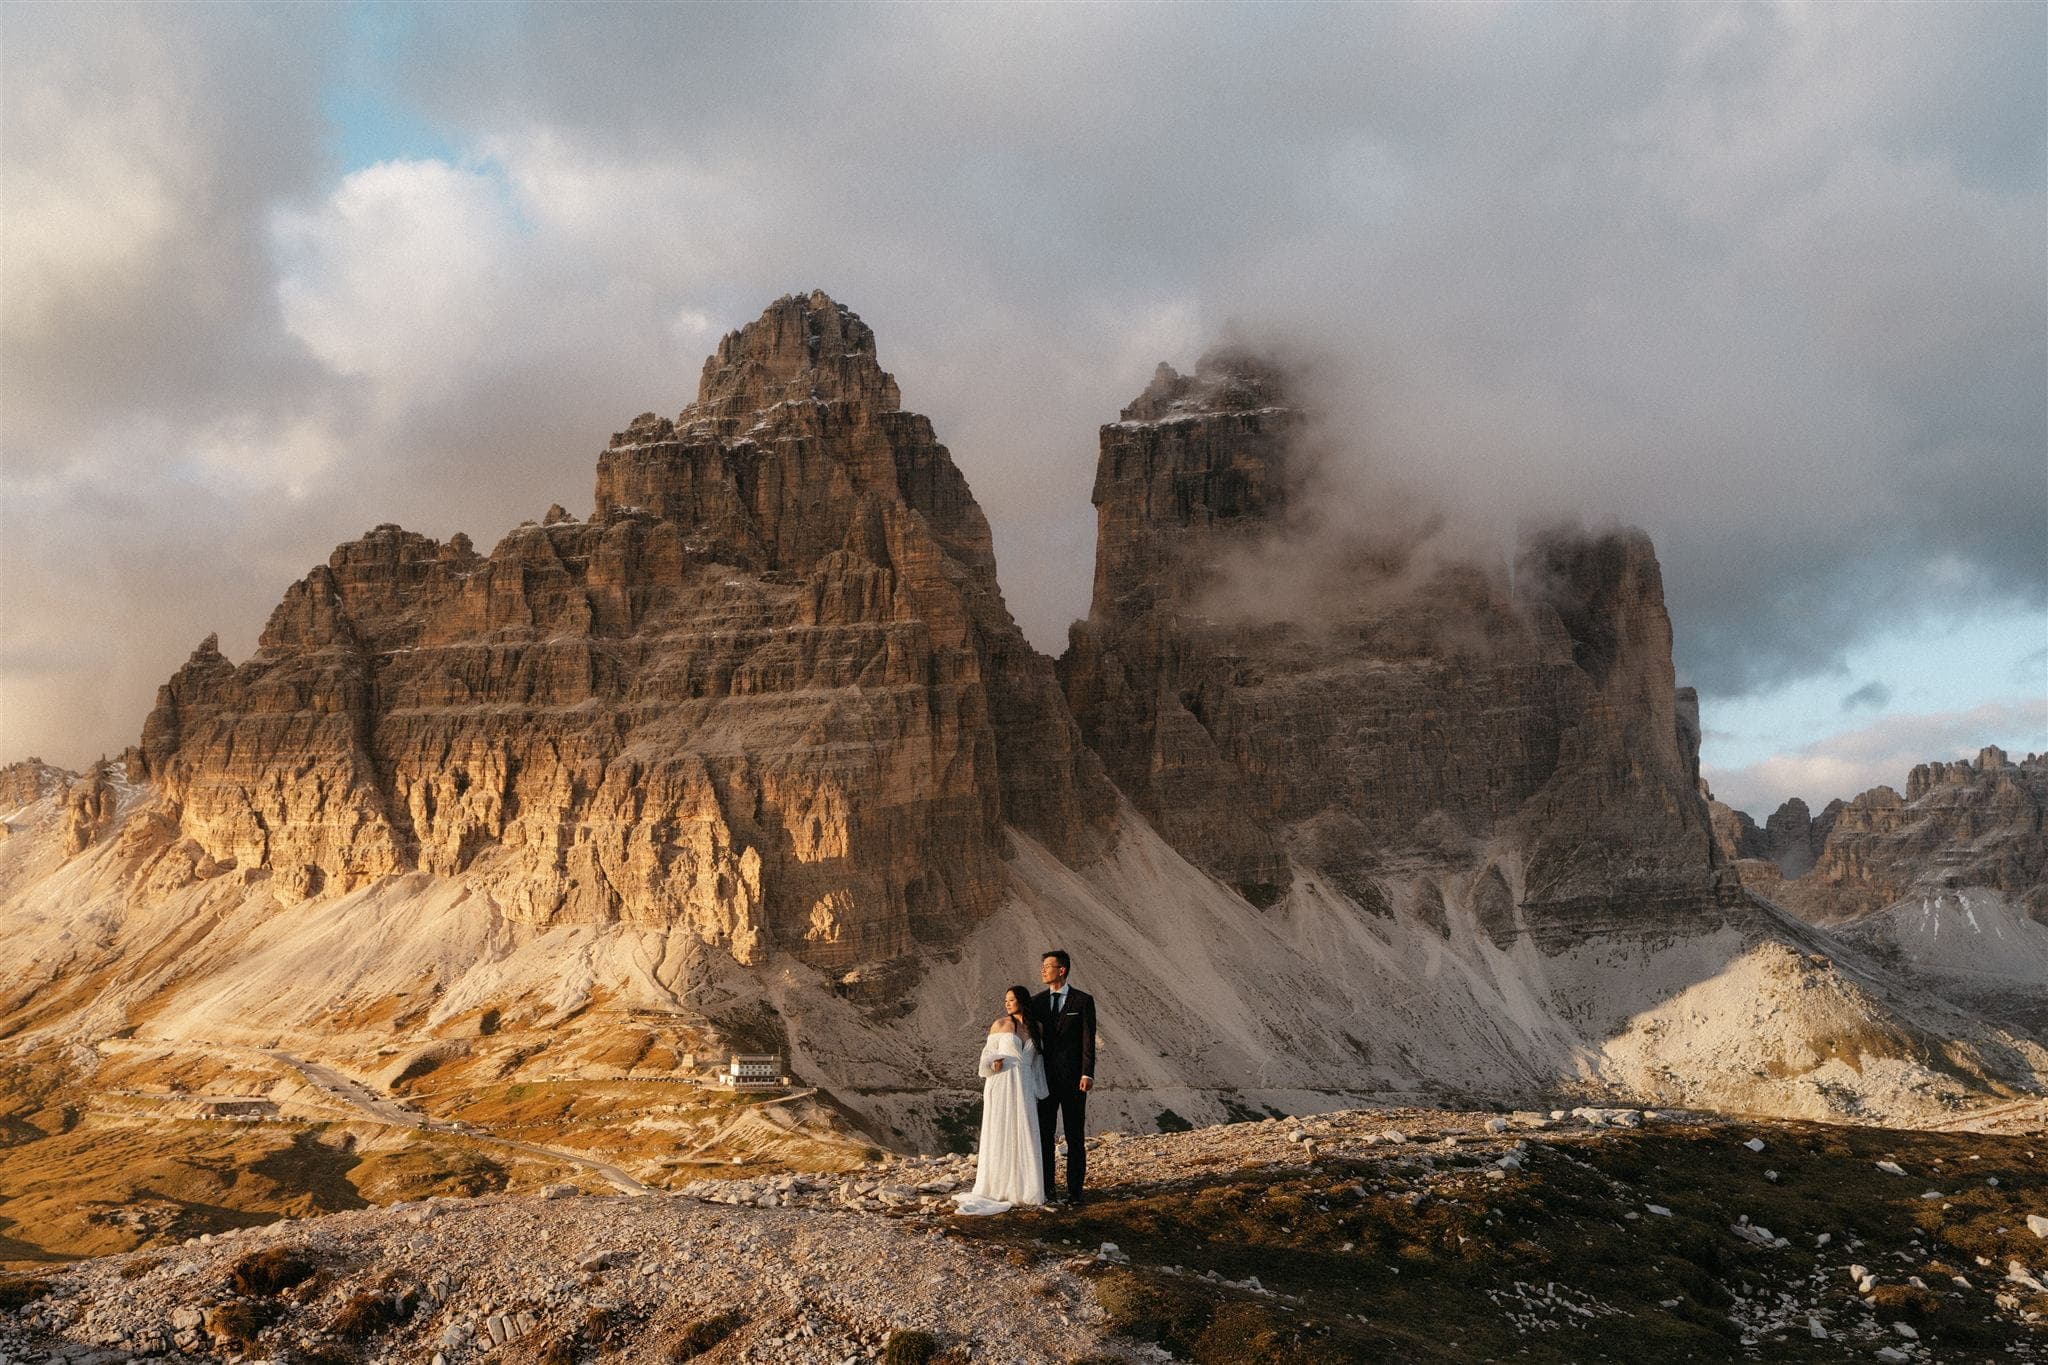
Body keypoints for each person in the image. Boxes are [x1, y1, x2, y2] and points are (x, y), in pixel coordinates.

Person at [950, 985, 1048, 1216]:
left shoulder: (1038, 1028)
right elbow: (986, 1056)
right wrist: (993, 1063)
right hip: (1002, 1082)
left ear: (1022, 1001)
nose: (1007, 1003)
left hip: (1024, 1085)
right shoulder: (999, 1025)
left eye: (1011, 1000)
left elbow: (1037, 1063)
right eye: (1006, 1000)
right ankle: (997, 1186)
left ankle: (1024, 1188)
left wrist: (1038, 1089)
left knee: (1023, 1131)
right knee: (1001, 1130)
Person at [1032, 949, 1096, 1204]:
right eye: (1042, 965)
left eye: (1047, 966)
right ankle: (1047, 1188)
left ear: (1062, 970)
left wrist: (1087, 1073)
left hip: (1073, 1080)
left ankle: (1075, 1191)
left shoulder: (1082, 1001)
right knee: (1044, 1135)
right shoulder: (1036, 1002)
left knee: (1074, 1134)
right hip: (1044, 1079)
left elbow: (1088, 1040)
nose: (1042, 970)